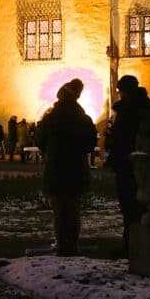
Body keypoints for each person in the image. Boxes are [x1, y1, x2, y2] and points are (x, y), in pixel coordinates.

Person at [36, 78, 98, 256]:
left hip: (55, 168)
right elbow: (90, 144)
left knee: (59, 209)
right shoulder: (83, 118)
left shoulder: (50, 118)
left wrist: (50, 150)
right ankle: (72, 245)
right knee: (73, 208)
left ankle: (62, 245)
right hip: (76, 169)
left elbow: (40, 141)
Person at [105, 74, 150, 257]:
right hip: (144, 163)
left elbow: (121, 139)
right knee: (141, 207)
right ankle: (141, 244)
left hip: (127, 163)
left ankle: (131, 246)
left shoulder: (127, 110)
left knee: (130, 207)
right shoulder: (147, 106)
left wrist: (111, 141)